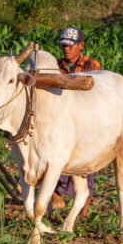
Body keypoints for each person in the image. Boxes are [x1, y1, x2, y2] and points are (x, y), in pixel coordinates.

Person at [52, 27, 101, 216]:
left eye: (70, 45)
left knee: (86, 164)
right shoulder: (55, 65)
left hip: (85, 121)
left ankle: (84, 203)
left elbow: (95, 91)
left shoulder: (91, 65)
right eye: (64, 45)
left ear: (81, 45)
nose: (66, 49)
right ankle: (56, 194)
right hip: (61, 120)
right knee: (58, 158)